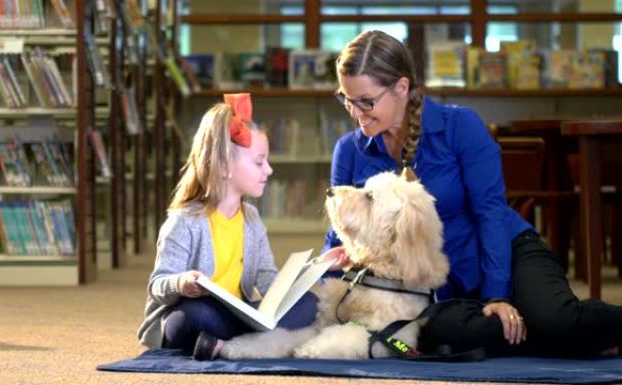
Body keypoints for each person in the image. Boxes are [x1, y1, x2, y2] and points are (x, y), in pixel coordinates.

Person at [324, 30, 622, 358]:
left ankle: (567, 333)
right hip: (438, 289)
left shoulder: (460, 126)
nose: (355, 112)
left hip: (505, 251)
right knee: (431, 335)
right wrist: (330, 272)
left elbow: (490, 213)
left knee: (558, 320)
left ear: (402, 87)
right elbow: (341, 232)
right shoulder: (349, 150)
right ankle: (567, 339)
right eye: (347, 99)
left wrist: (497, 296)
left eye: (366, 101)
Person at [137, 93, 320, 360]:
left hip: (239, 315)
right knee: (194, 315)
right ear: (223, 166)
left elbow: (268, 281)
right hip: (198, 314)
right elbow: (158, 285)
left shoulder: (252, 219)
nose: (268, 170)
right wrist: (183, 283)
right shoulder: (184, 221)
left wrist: (306, 273)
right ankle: (247, 343)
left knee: (311, 304)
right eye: (259, 162)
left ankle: (225, 345)